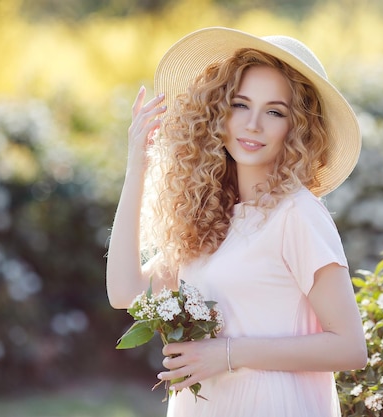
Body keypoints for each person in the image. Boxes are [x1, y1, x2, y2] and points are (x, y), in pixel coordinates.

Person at [106, 27, 367, 417]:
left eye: (275, 111)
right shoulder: (208, 216)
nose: (253, 124)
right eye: (241, 105)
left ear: (297, 128)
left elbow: (350, 347)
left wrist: (227, 354)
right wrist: (136, 165)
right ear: (217, 111)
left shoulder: (296, 214)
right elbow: (125, 292)